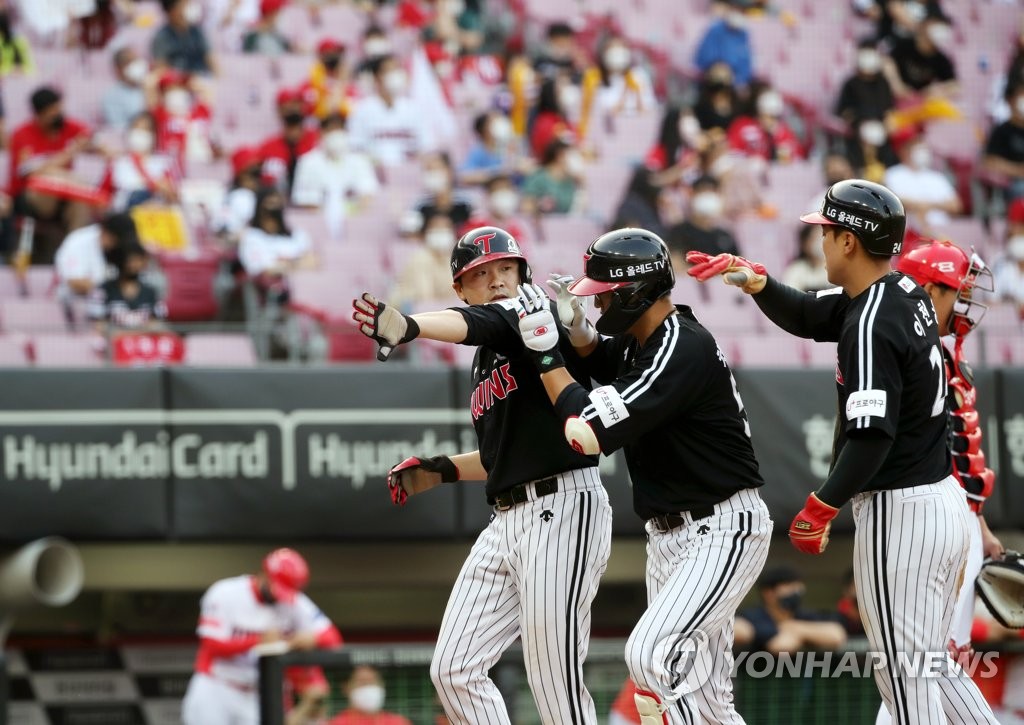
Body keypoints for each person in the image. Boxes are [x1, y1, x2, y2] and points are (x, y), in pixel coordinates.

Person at [685, 179, 1000, 724]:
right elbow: (810, 315)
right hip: (938, 501)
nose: (822, 242)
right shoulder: (897, 291)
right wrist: (758, 283)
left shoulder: (874, 318)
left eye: (827, 232)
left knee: (905, 681)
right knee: (933, 668)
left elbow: (872, 435)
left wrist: (822, 504)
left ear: (849, 241)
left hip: (903, 512)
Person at [509, 227, 772, 723]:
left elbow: (586, 432)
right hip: (673, 535)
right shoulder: (641, 341)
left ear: (635, 292)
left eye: (606, 298)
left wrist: (547, 355)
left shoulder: (680, 345)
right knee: (710, 700)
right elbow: (600, 359)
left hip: (721, 528)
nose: (600, 307)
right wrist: (578, 329)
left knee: (652, 654)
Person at [351, 227, 612, 723]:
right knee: (453, 669)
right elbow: (505, 452)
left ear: (523, 274)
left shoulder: (533, 315)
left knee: (554, 676)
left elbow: (474, 322)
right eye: (481, 274)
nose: (495, 281)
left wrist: (408, 325)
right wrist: (445, 469)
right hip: (509, 515)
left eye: (505, 269)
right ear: (462, 287)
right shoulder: (486, 357)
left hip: (564, 507)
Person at [888, 239, 1005, 712]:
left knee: (936, 661)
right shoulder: (913, 350)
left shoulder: (947, 352)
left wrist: (979, 524)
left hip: (960, 517)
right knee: (924, 662)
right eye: (956, 290)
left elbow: (960, 455)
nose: (964, 302)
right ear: (928, 289)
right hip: (934, 517)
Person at [181, 548, 343, 725]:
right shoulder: (226, 592)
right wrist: (258, 641)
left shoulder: (295, 602)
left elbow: (333, 638)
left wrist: (311, 638)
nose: (279, 596)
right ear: (265, 574)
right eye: (278, 588)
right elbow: (212, 645)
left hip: (257, 692)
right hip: (218, 685)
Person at [9, 86, 96, 247]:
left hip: (65, 194)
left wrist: (94, 146)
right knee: (50, 179)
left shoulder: (68, 126)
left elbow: (90, 138)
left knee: (81, 201)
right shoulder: (22, 134)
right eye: (52, 111)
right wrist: (68, 155)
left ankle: (73, 251)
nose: (57, 114)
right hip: (31, 197)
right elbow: (31, 172)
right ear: (39, 114)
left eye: (58, 109)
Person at [291, 113, 379, 237]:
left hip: (354, 225)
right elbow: (306, 201)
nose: (336, 135)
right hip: (319, 226)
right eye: (331, 130)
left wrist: (348, 218)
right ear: (322, 133)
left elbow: (367, 195)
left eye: (340, 130)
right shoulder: (307, 162)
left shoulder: (359, 160)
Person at [735, 565, 847, 653]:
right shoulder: (753, 616)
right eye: (789, 585)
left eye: (798, 586)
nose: (797, 590)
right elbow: (740, 631)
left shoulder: (804, 615)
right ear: (769, 593)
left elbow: (836, 634)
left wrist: (794, 628)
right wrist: (777, 633)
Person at [347, 54, 431, 168]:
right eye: (388, 70)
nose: (394, 74)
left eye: (397, 69)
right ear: (376, 77)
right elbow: (356, 147)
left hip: (410, 173)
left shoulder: (414, 108)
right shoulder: (362, 109)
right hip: (375, 174)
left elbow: (426, 146)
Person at [54, 211, 138, 307]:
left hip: (113, 305)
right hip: (75, 304)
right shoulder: (78, 241)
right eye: (115, 241)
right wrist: (114, 289)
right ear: (106, 232)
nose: (116, 245)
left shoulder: (121, 248)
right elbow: (75, 282)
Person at [101, 111, 179, 211]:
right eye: (136, 128)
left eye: (145, 130)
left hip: (154, 217)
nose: (140, 133)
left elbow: (173, 198)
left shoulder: (163, 165)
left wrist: (166, 191)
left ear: (154, 136)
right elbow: (102, 198)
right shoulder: (118, 164)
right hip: (124, 215)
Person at [883, 136, 961, 232]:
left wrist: (927, 205)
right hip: (908, 231)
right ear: (904, 151)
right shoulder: (892, 174)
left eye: (925, 148)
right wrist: (922, 206)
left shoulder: (937, 177)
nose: (923, 152)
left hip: (942, 230)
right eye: (918, 148)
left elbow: (956, 206)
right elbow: (894, 202)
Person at [88, 241, 166, 334]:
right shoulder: (103, 290)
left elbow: (157, 322)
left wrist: (137, 333)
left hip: (143, 344)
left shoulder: (151, 291)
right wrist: (120, 334)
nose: (134, 265)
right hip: (112, 344)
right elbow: (98, 324)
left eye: (138, 260)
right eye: (130, 260)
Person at [259, 88, 320, 194]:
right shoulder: (270, 145)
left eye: (295, 104)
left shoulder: (315, 140)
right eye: (289, 125)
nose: (292, 108)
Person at [835, 39, 895, 127]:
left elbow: (889, 109)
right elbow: (844, 112)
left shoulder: (883, 83)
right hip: (859, 129)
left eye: (871, 55)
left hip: (882, 127)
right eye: (865, 56)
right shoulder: (851, 84)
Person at [694, 0, 753, 89]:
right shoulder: (716, 30)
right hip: (715, 82)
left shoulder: (743, 35)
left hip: (735, 84)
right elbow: (704, 58)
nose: (739, 13)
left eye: (742, 11)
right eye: (737, 9)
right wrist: (719, 68)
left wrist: (739, 79)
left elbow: (746, 65)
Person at [150, 0, 217, 76]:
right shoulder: (162, 37)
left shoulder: (197, 32)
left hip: (203, 79)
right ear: (171, 11)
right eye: (183, 5)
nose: (188, 9)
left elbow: (213, 62)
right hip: (179, 83)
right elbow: (161, 71)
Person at [328, 665, 411, 725]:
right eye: (362, 682)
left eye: (373, 682)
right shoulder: (337, 723)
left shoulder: (399, 722)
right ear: (346, 688)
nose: (369, 688)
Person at [983, 83, 1024, 202]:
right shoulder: (1002, 131)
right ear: (1010, 100)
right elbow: (989, 162)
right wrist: (1018, 170)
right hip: (1014, 183)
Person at [521, 139, 583, 216]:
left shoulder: (570, 182)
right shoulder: (539, 177)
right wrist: (538, 206)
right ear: (560, 156)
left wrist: (581, 185)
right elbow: (526, 206)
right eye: (571, 156)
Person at [102, 47, 150, 131]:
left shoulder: (150, 86)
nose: (136, 65)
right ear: (119, 69)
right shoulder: (111, 97)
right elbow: (118, 127)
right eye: (130, 62)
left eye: (136, 60)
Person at [781, 223, 829, 292]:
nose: (819, 243)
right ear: (804, 243)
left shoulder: (832, 270)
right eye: (815, 238)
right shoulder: (796, 270)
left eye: (823, 237)